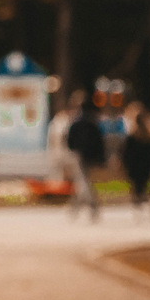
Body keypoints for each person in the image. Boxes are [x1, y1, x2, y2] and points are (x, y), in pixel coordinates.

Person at [63, 90, 106, 220]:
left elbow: (69, 139)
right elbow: (99, 141)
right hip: (89, 155)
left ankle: (88, 206)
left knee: (83, 181)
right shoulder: (93, 123)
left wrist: (73, 149)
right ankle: (76, 206)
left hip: (79, 155)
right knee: (83, 180)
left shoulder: (76, 123)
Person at [122, 100, 150, 218]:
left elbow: (126, 153)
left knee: (137, 188)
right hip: (146, 165)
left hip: (134, 166)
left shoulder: (132, 136)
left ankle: (139, 208)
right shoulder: (149, 136)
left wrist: (124, 164)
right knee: (145, 187)